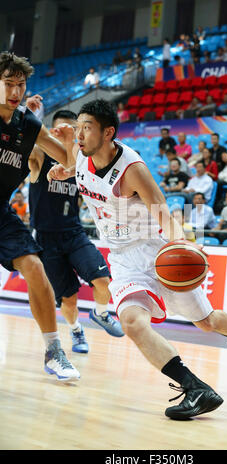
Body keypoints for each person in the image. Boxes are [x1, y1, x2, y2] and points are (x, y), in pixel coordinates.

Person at [48, 98, 227, 420]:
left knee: (206, 322)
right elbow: (81, 172)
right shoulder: (81, 153)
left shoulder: (133, 170)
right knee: (131, 322)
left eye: (86, 128)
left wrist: (184, 244)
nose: (79, 135)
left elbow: (163, 211)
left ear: (108, 133)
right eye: (78, 128)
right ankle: (196, 388)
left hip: (156, 251)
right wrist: (65, 171)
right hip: (122, 258)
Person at [0, 51, 79, 381]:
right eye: (8, 84)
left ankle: (53, 350)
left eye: (21, 85)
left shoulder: (29, 125)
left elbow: (71, 163)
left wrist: (72, 140)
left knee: (34, 266)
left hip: (1, 213)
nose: (15, 92)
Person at [29, 109, 124, 354]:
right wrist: (30, 116)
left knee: (103, 281)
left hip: (74, 233)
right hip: (46, 240)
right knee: (69, 299)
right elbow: (28, 144)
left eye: (74, 129)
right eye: (62, 129)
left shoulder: (82, 161)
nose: (69, 133)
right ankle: (76, 331)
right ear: (52, 132)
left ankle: (101, 313)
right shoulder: (40, 156)